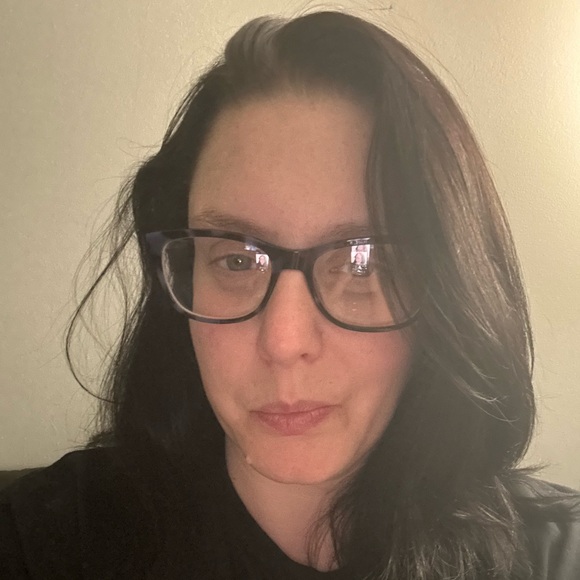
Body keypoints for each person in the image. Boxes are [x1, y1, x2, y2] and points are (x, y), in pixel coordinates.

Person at [1, 10, 579, 580]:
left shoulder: (554, 558)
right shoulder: (45, 539)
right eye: (236, 260)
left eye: (362, 264)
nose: (283, 341)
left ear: (447, 293)